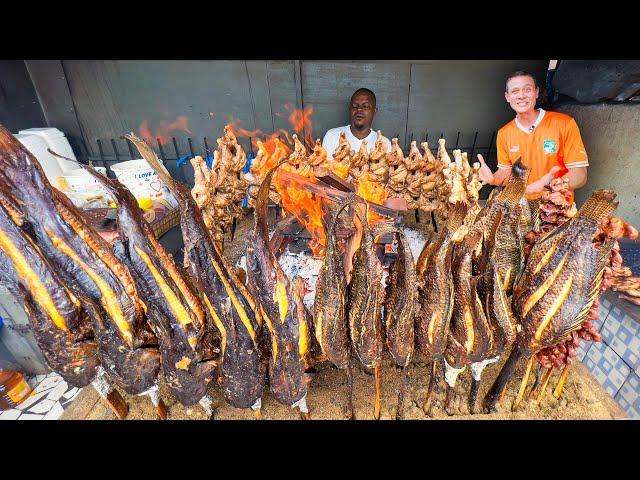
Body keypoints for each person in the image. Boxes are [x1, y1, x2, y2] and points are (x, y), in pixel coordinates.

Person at [477, 70, 589, 201]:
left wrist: (550, 185)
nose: (521, 96)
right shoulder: (504, 133)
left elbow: (580, 174)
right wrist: (493, 179)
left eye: (527, 89)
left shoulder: (564, 124)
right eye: (515, 91)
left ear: (536, 92)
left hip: (555, 210)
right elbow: (506, 173)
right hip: (522, 211)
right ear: (507, 97)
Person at [322, 88, 392, 159]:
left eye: (365, 106)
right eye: (355, 106)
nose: (359, 110)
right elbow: (324, 168)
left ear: (374, 111)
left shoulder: (384, 143)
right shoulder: (333, 136)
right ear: (350, 109)